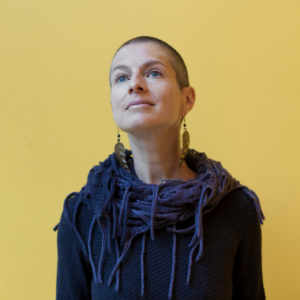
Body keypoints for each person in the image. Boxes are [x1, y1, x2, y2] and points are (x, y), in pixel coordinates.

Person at [54, 36, 266, 300]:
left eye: (153, 73)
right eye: (121, 78)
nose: (135, 85)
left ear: (187, 99)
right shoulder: (84, 215)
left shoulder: (235, 208)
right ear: (113, 105)